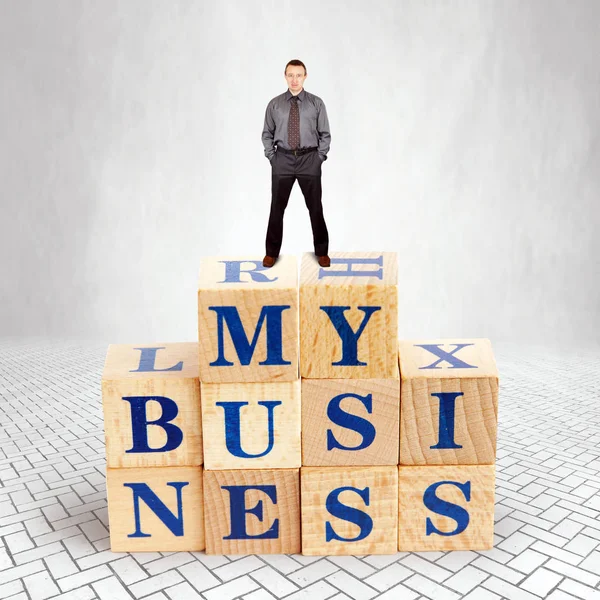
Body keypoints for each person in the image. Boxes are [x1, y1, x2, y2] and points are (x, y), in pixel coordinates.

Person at [261, 59, 331, 268]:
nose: (294, 79)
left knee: (315, 207)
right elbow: (267, 134)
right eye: (290, 75)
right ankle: (271, 253)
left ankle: (322, 251)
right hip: (282, 159)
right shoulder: (275, 104)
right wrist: (272, 157)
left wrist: (319, 158)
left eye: (298, 75)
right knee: (276, 208)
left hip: (309, 159)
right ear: (285, 76)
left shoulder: (316, 103)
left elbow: (325, 134)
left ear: (305, 77)